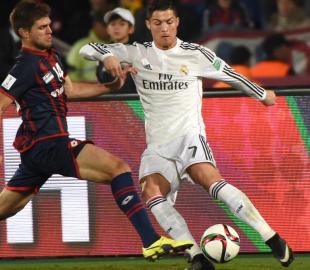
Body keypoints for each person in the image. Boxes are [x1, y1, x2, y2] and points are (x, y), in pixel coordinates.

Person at [0, 1, 193, 270]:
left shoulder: (51, 56)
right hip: (48, 143)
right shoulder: (24, 67)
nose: (49, 31)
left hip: (39, 151)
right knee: (118, 169)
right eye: (41, 27)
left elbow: (71, 92)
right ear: (24, 32)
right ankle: (150, 240)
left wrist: (109, 87)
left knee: (3, 208)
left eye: (49, 25)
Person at [79, 0, 295, 269]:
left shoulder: (196, 54)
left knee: (207, 177)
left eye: (169, 22)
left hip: (189, 136)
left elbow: (231, 75)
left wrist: (263, 95)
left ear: (177, 22)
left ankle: (270, 237)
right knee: (151, 191)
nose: (164, 28)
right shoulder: (136, 52)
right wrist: (108, 56)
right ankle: (196, 257)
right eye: (158, 23)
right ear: (148, 25)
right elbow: (89, 48)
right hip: (157, 145)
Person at [96, 7, 137, 93]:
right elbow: (102, 79)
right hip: (109, 102)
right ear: (107, 29)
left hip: (135, 102)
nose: (116, 28)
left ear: (131, 29)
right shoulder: (101, 51)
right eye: (113, 24)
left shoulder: (140, 50)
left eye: (122, 24)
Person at [66, 10, 110, 82]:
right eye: (104, 25)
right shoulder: (80, 47)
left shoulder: (120, 45)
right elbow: (70, 78)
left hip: (117, 92)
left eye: (112, 24)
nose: (109, 28)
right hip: (88, 91)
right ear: (95, 24)